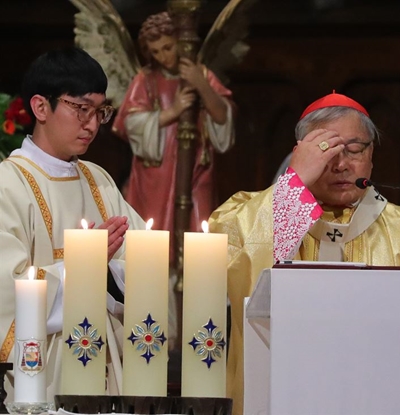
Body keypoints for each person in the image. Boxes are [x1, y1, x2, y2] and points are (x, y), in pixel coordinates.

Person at [209, 91, 400, 415]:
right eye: (325, 150)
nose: (341, 164)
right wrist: (294, 186)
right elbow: (237, 270)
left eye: (353, 149)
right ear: (300, 155)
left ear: (371, 155)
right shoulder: (242, 212)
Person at [0, 47, 146, 402]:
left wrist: (107, 269)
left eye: (100, 112)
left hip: (110, 370)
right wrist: (83, 264)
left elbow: (145, 264)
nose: (93, 125)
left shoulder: (99, 181)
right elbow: (7, 291)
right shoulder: (8, 184)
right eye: (81, 109)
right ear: (40, 107)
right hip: (41, 380)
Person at [112, 11, 235, 260]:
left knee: (199, 240)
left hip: (196, 170)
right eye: (155, 51)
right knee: (154, 242)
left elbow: (224, 118)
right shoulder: (145, 81)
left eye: (168, 47)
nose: (163, 56)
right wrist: (173, 111)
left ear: (180, 41)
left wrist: (201, 85)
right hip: (155, 177)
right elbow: (129, 125)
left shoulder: (201, 74)